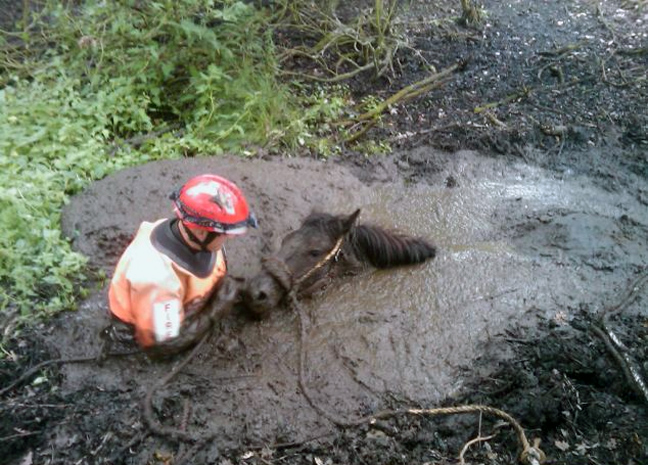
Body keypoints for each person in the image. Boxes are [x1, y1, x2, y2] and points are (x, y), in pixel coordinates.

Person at [104, 174, 257, 358]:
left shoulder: (189, 233)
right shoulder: (157, 278)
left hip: (183, 303)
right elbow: (163, 345)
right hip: (144, 331)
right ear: (201, 232)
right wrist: (214, 311)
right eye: (226, 233)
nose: (231, 238)